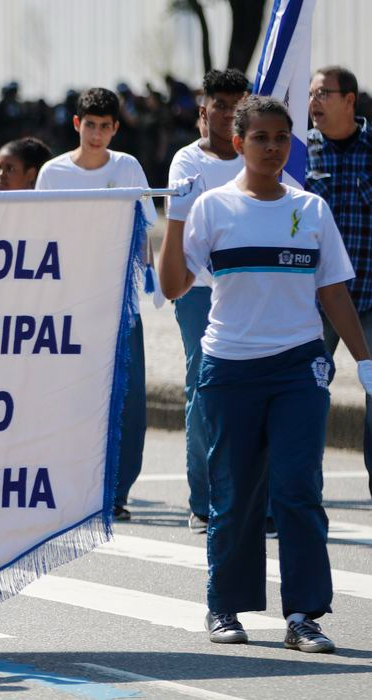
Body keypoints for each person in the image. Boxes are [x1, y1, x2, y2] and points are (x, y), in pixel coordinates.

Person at [158, 95, 372, 654]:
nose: (273, 148)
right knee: (234, 494)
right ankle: (224, 606)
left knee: (299, 490)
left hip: (298, 367)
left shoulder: (311, 209)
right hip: (228, 367)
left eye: (282, 138)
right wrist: (175, 218)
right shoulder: (211, 208)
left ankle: (304, 614)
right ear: (238, 143)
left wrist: (365, 361)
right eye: (261, 138)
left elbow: (332, 290)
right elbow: (173, 286)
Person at [36, 86, 156, 521]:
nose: (97, 134)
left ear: (116, 129)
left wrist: (149, 281)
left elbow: (144, 233)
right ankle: (72, 488)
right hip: (70, 307)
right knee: (72, 399)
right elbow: (42, 240)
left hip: (120, 307)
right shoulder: (52, 173)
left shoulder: (128, 167)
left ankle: (117, 492)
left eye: (106, 127)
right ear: (76, 125)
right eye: (91, 125)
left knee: (127, 402)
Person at [166, 68, 250, 533]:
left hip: (249, 286)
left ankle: (255, 497)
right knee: (203, 386)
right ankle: (203, 499)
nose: (229, 113)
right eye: (221, 104)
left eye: (239, 104)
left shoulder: (257, 153)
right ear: (205, 110)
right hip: (199, 289)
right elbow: (187, 227)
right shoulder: (186, 162)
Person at [307, 66, 372, 500]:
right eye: (310, 93)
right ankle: (295, 495)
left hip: (369, 298)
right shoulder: (297, 152)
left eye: (323, 93)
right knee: (303, 399)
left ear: (349, 100)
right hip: (314, 304)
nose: (313, 101)